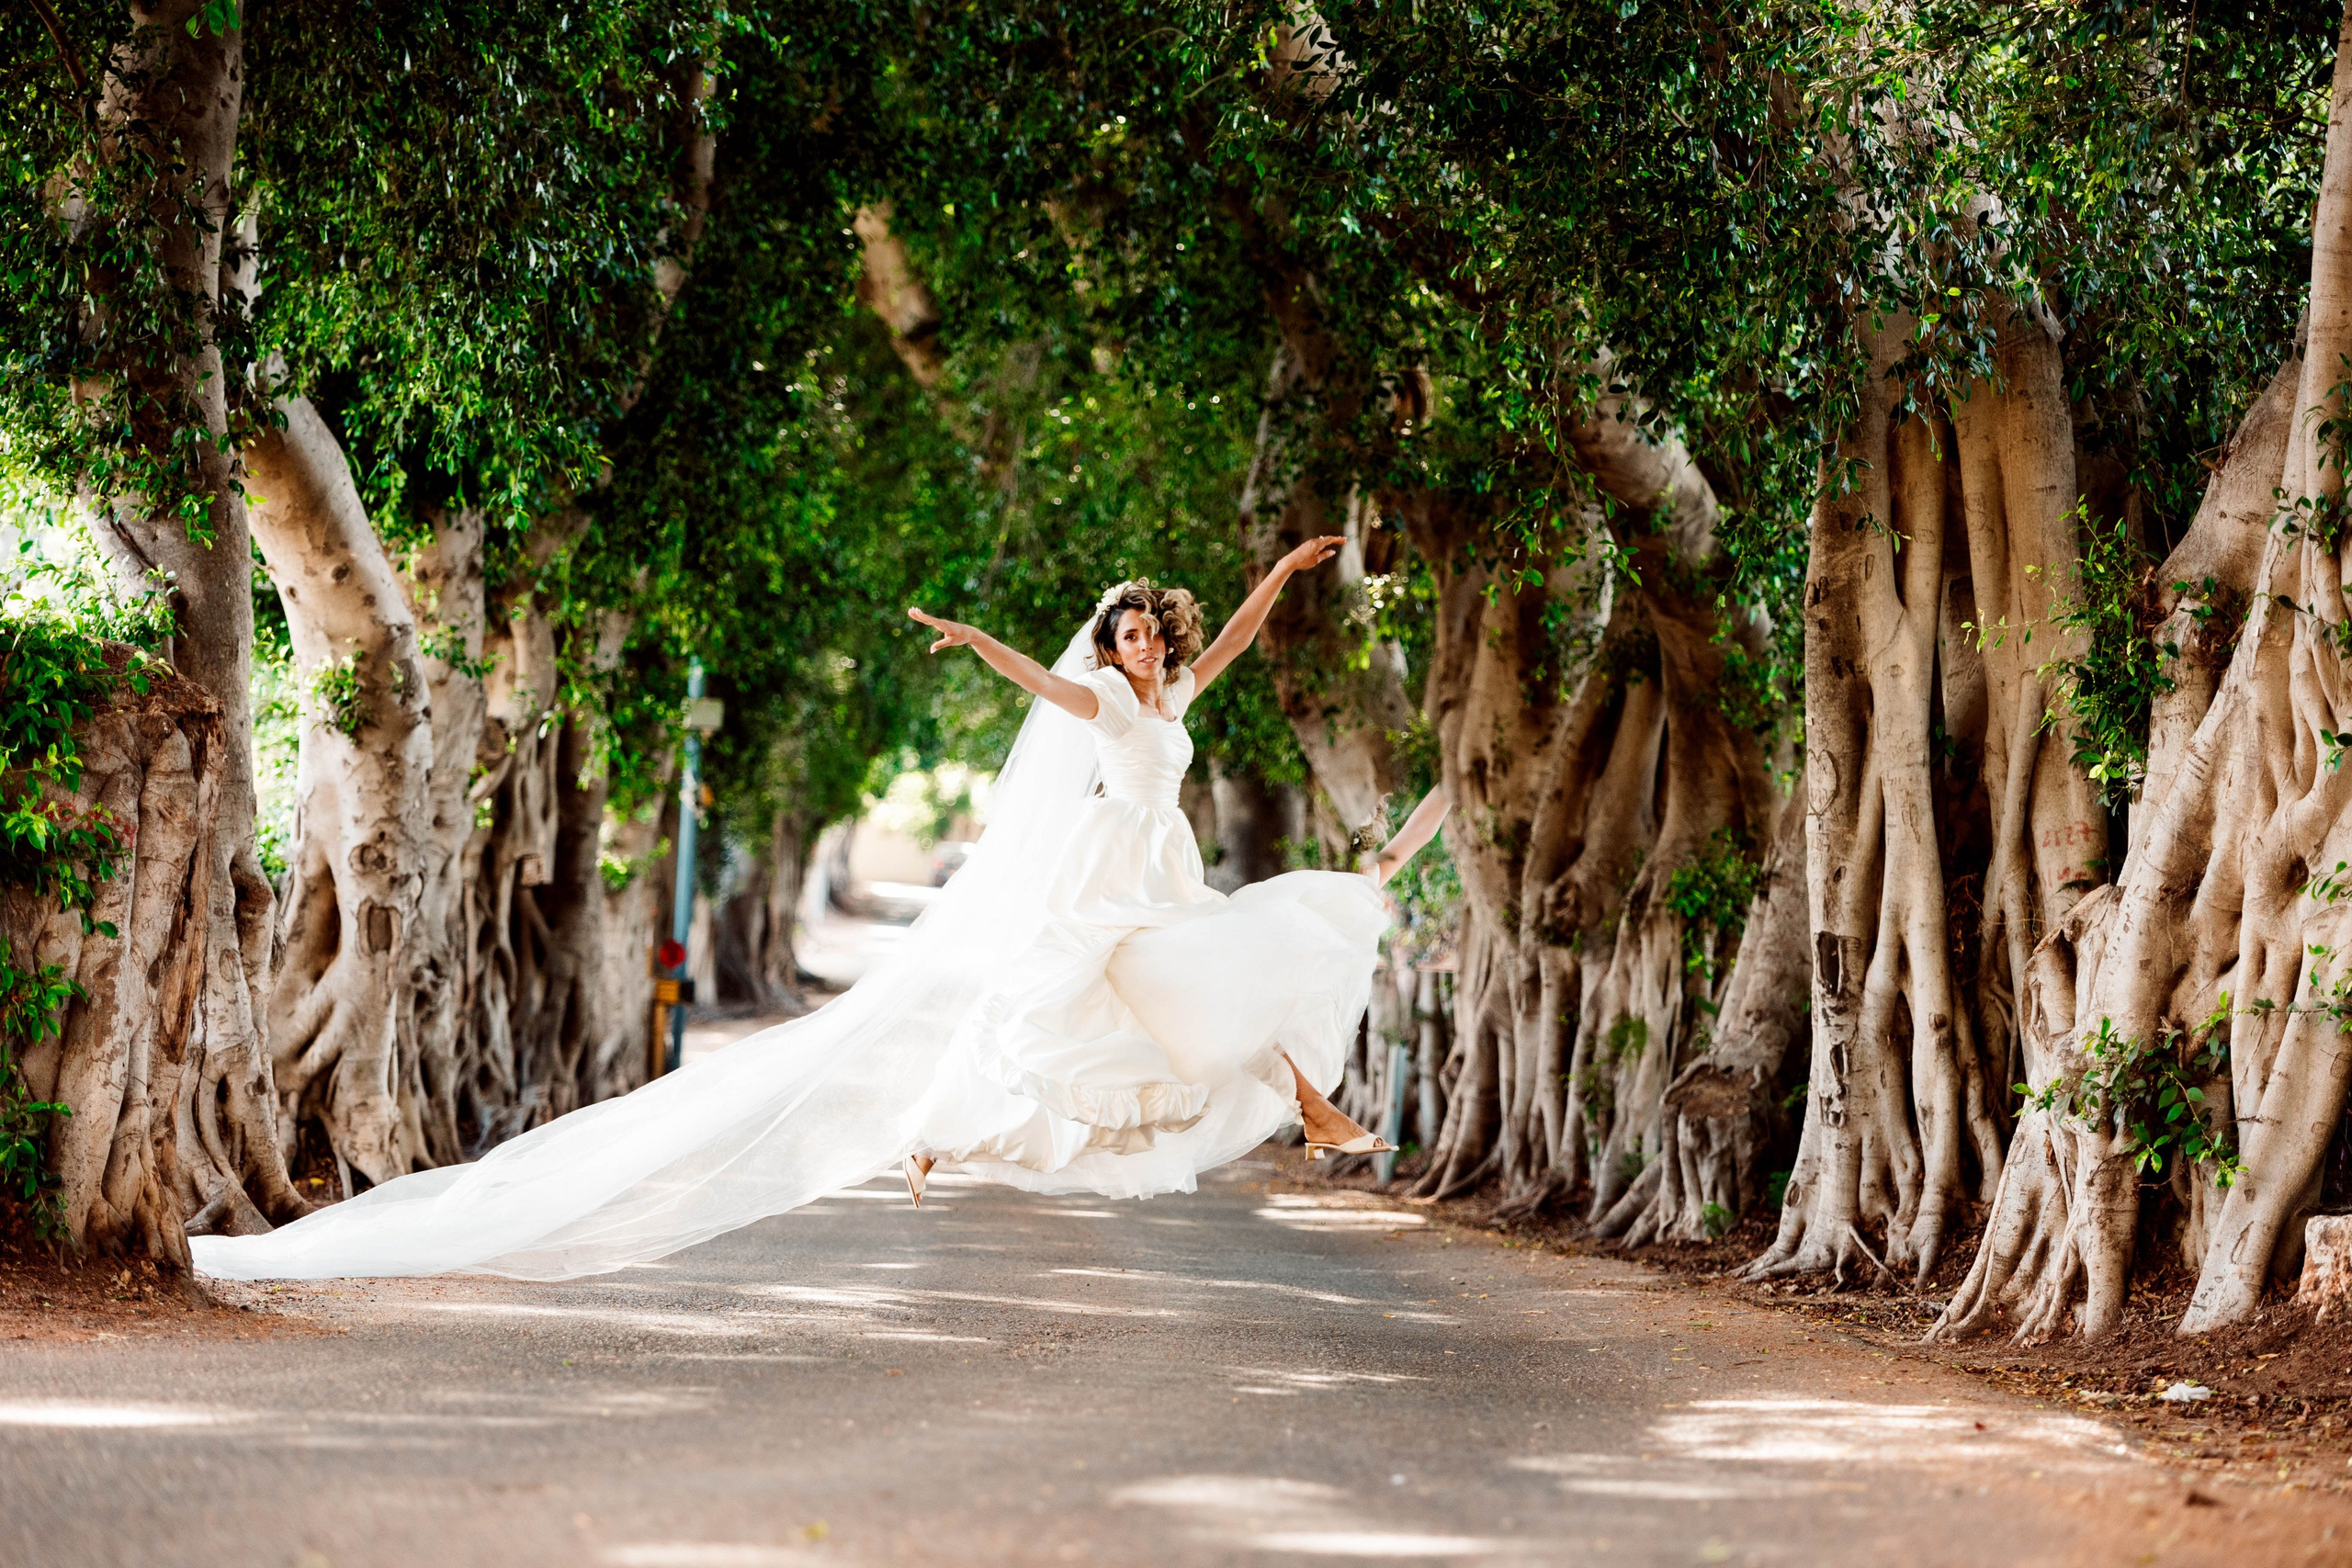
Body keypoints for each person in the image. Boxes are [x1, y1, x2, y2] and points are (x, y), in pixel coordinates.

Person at [188, 539, 1450, 1281]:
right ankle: (1275, 1106)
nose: (1134, 646)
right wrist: (977, 639)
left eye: (1143, 633)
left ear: (1159, 640)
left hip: (1161, 867)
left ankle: (1282, 1105)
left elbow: (1238, 636)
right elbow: (1041, 682)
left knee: (1204, 982)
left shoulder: (1177, 694)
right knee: (1102, 1013)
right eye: (1118, 634)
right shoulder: (1109, 704)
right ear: (1107, 649)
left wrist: (1287, 571)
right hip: (1107, 873)